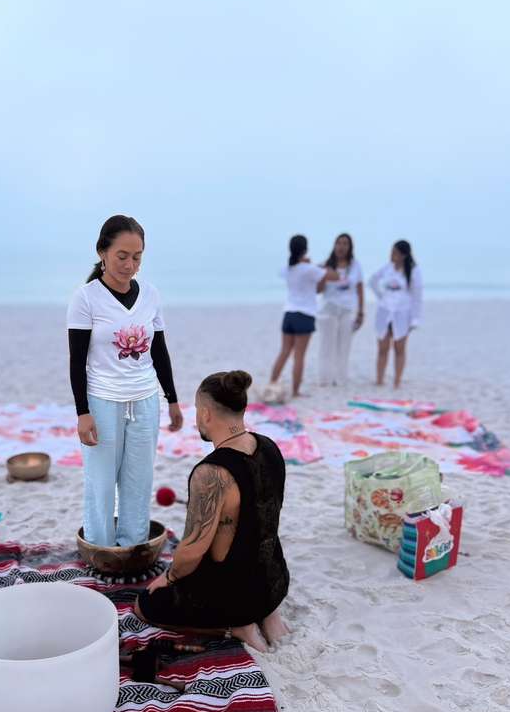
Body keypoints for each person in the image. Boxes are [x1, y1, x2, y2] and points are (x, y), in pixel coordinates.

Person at [135, 370, 289, 653]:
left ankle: (236, 626)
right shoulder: (269, 447)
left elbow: (192, 551)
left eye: (196, 411)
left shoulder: (212, 473)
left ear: (206, 414)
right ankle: (268, 614)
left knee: (145, 605)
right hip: (275, 580)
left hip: (235, 596)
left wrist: (167, 578)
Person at [67, 215, 183, 548]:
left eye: (137, 257)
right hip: (102, 402)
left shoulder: (150, 294)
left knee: (138, 482)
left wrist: (172, 399)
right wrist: (82, 413)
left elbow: (159, 351)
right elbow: (77, 361)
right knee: (101, 483)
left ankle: (132, 546)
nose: (129, 265)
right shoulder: (85, 298)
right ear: (102, 251)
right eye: (122, 256)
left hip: (145, 402)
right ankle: (100, 547)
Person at [270, 235, 340, 396]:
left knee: (284, 351)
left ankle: (272, 384)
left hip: (288, 313)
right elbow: (335, 277)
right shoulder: (309, 269)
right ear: (305, 249)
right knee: (299, 356)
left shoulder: (288, 268)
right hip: (305, 314)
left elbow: (289, 273)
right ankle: (295, 391)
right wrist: (320, 266)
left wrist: (308, 265)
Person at [370, 240, 423, 388]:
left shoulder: (413, 271)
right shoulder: (387, 268)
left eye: (395, 252)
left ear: (403, 255)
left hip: (402, 312)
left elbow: (417, 296)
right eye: (391, 251)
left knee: (399, 348)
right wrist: (381, 296)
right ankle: (379, 380)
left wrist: (415, 319)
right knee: (382, 347)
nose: (391, 255)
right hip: (385, 311)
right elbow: (373, 280)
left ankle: (397, 381)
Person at [316, 233, 364, 385]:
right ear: (334, 245)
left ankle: (340, 378)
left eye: (345, 244)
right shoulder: (325, 265)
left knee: (344, 346)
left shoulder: (355, 266)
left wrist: (361, 312)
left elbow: (360, 288)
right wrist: (323, 276)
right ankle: (325, 378)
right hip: (328, 309)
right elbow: (318, 290)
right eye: (339, 243)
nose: (341, 247)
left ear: (350, 247)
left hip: (347, 310)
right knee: (326, 345)